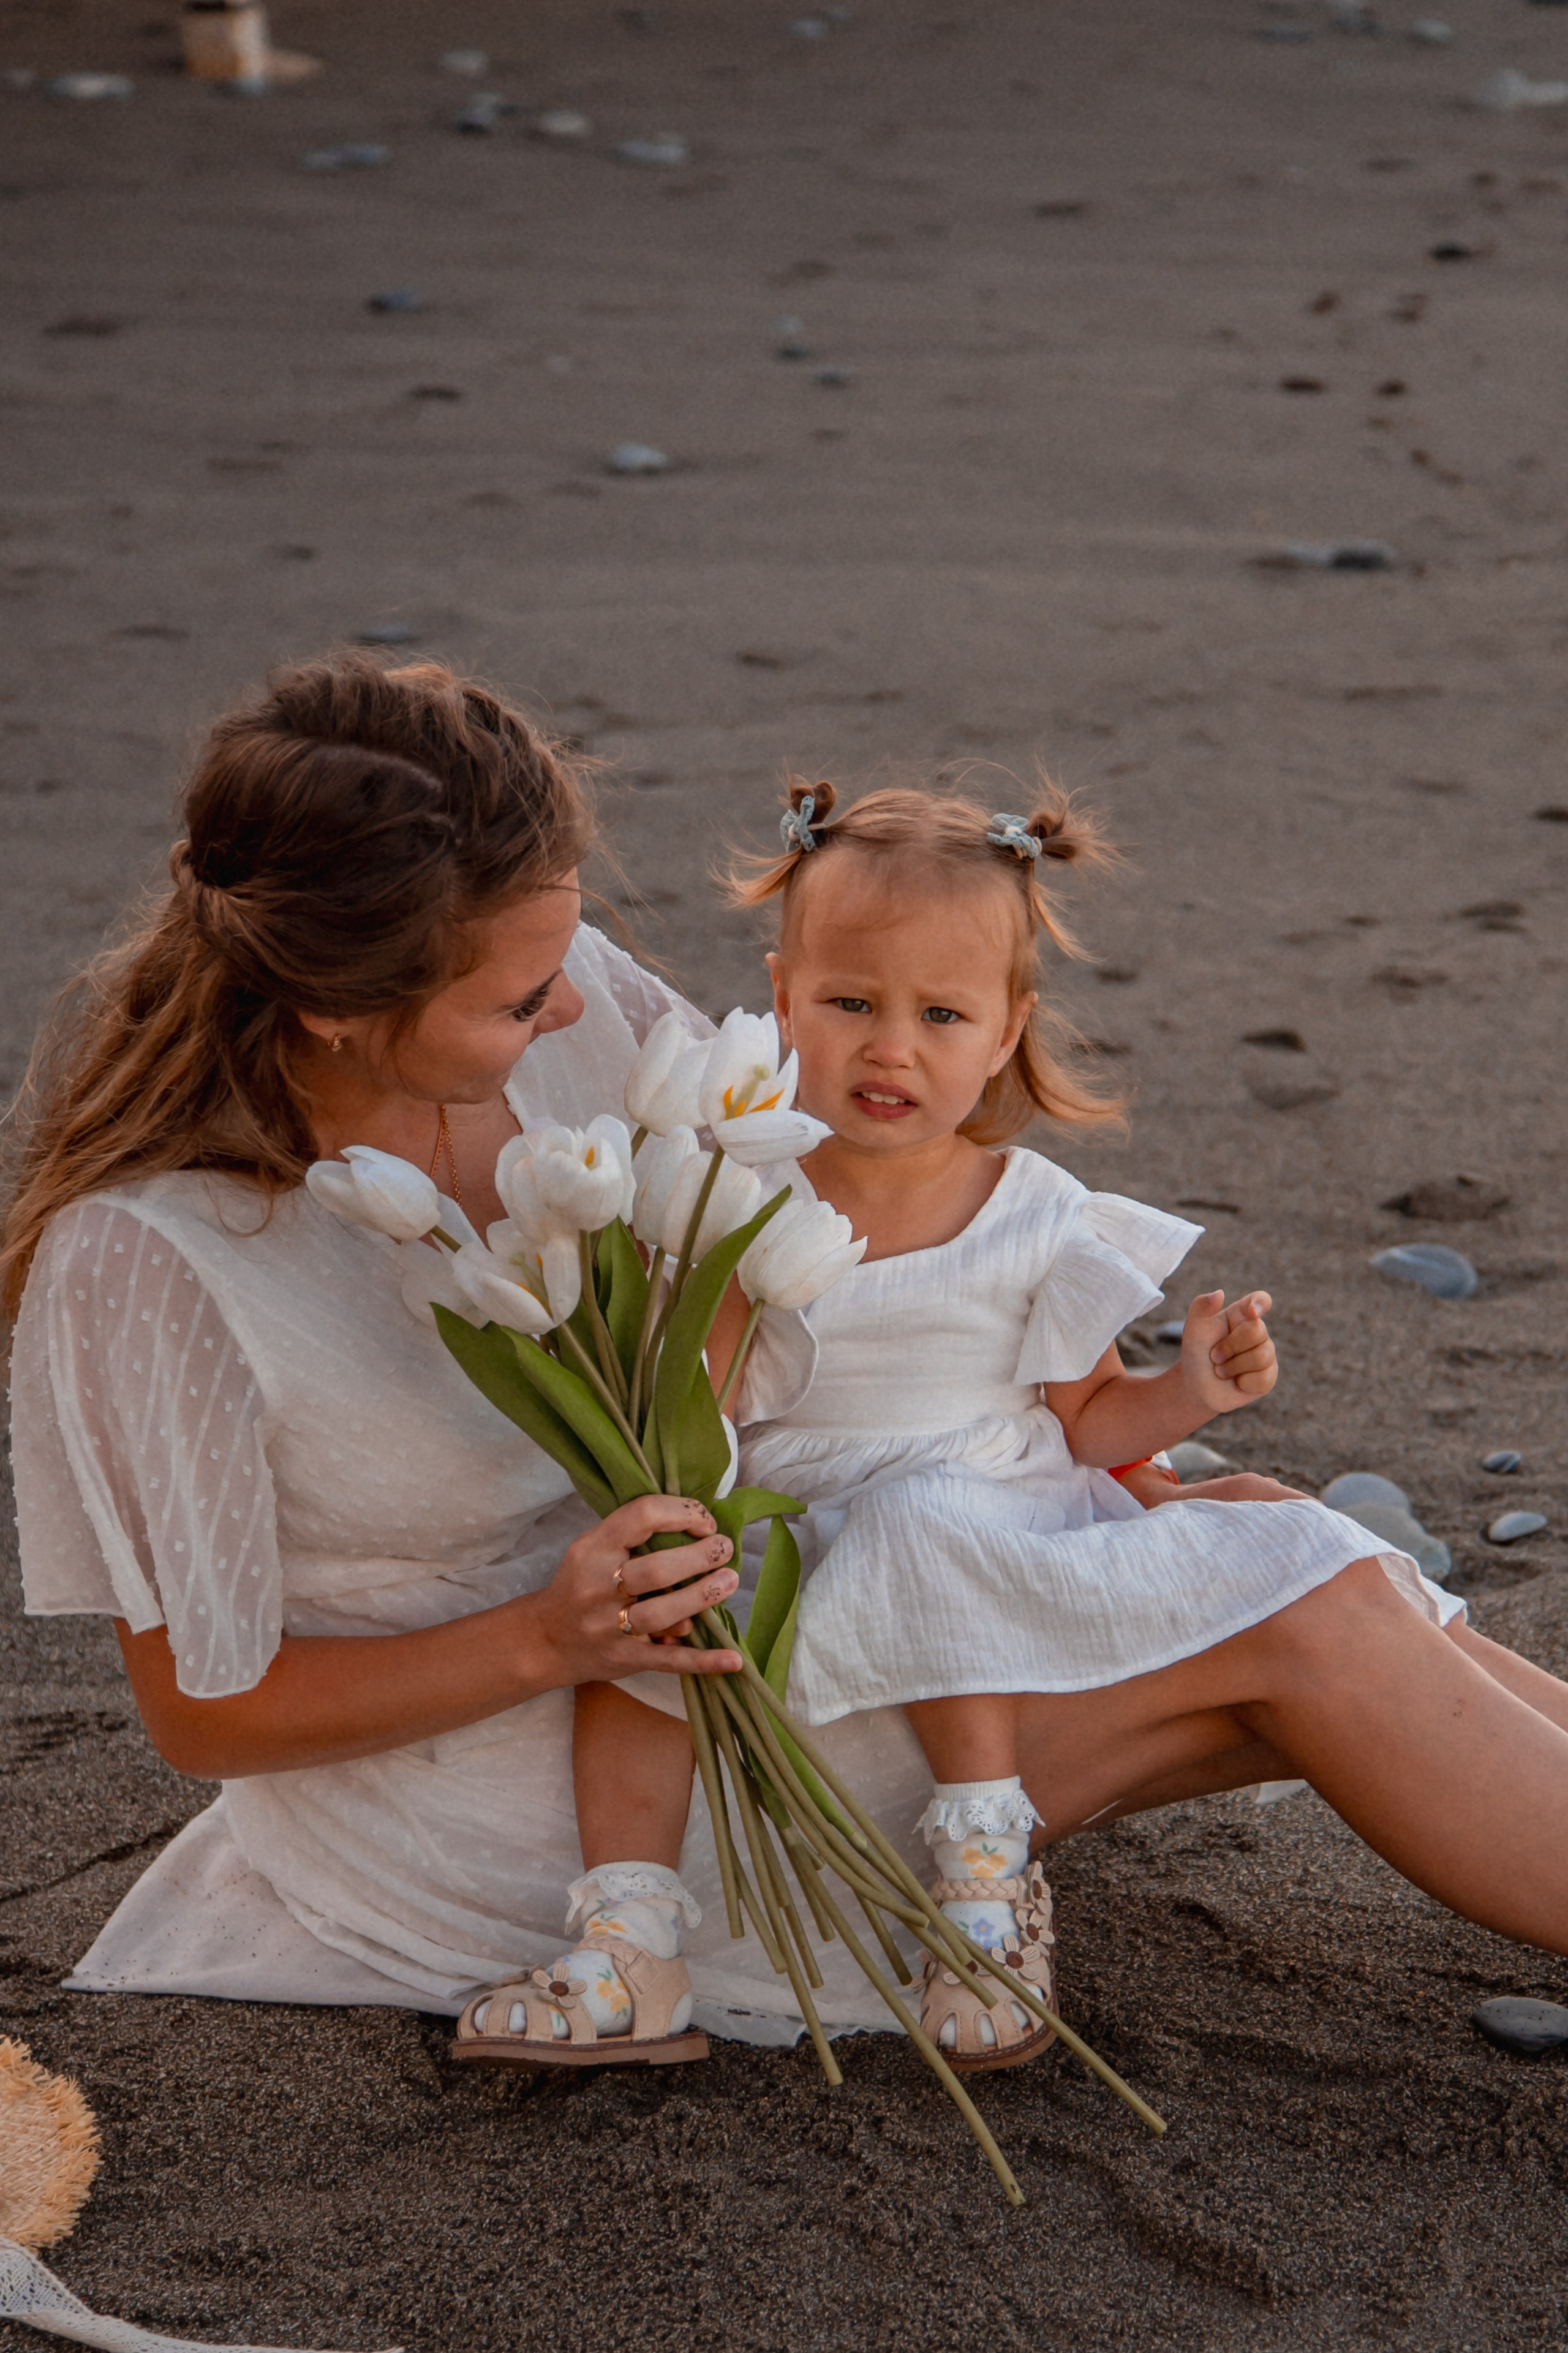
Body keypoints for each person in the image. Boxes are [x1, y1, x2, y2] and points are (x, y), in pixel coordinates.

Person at [9, 663, 1568, 2063]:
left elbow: (823, 1203)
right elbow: (209, 1717)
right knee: (1310, 1620)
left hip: (762, 1597)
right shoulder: (152, 1264)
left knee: (1277, 1538)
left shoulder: (574, 998)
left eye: (563, 950)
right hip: (542, 1781)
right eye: (512, 996)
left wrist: (1081, 1443)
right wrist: (553, 1633)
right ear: (336, 1007)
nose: (573, 1006)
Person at [458, 775, 1568, 2071]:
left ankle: (983, 1869)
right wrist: (698, 1317)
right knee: (647, 1654)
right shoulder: (731, 1188)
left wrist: (1191, 1392)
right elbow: (687, 1411)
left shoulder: (1031, 1210)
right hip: (803, 1569)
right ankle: (631, 1934)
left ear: (1004, 1032)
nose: (891, 1048)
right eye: (850, 1003)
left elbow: (1093, 1419)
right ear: (779, 995)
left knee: (1287, 1534)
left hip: (1006, 1539)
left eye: (940, 1014)